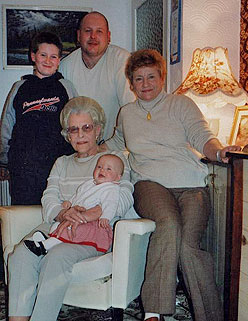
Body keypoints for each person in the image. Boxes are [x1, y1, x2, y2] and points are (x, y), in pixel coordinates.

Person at [102, 49, 242, 321]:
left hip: (191, 185)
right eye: (139, 79)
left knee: (189, 246)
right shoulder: (127, 113)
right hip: (149, 183)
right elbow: (116, 143)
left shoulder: (181, 104)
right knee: (167, 224)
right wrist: (86, 149)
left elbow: (203, 136)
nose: (146, 84)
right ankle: (154, 312)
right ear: (131, 82)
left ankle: (211, 316)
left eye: (151, 77)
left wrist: (219, 152)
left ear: (162, 77)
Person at [7, 96, 135, 321]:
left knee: (56, 256)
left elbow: (124, 197)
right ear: (67, 135)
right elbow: (49, 197)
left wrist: (87, 214)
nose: (80, 135)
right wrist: (62, 212)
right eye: (73, 130)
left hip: (90, 233)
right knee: (21, 255)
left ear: (97, 129)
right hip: (57, 225)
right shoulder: (62, 162)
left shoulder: (112, 160)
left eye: (86, 128)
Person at [0, 31, 78, 205]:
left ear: (59, 60)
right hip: (23, 168)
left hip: (58, 166)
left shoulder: (66, 87)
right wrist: (4, 161)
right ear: (33, 56)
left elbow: (76, 122)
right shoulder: (19, 87)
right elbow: (7, 125)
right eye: (43, 55)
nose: (48, 61)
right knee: (24, 215)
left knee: (55, 215)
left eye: (53, 56)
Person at [24, 154, 130, 255]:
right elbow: (78, 196)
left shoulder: (111, 188)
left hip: (94, 224)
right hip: (77, 217)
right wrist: (69, 203)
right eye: (99, 167)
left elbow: (111, 203)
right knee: (58, 226)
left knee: (72, 229)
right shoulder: (89, 184)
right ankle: (48, 241)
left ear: (117, 178)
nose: (102, 170)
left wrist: (105, 216)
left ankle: (45, 245)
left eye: (108, 169)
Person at [59, 11, 135, 140]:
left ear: (108, 36)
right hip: (78, 149)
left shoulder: (123, 60)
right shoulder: (65, 66)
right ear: (78, 35)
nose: (93, 36)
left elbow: (131, 110)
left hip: (114, 148)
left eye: (99, 31)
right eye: (88, 31)